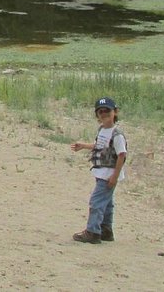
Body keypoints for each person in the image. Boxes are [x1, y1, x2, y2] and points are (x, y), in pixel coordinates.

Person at [69, 97, 127, 244]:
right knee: (106, 203)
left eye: (107, 111)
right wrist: (83, 145)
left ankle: (93, 231)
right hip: (101, 172)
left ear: (115, 112)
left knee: (96, 202)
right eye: (100, 112)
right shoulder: (102, 130)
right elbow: (99, 145)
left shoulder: (117, 135)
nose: (104, 114)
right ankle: (106, 230)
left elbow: (122, 155)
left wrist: (115, 176)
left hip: (108, 174)